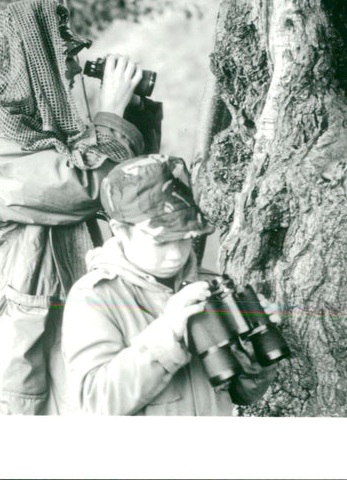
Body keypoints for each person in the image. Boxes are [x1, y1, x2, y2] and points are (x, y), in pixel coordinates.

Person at [0, 0, 161, 415]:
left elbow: (127, 191)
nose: (74, 71)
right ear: (33, 63)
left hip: (31, 325)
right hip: (0, 341)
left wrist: (133, 111)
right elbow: (88, 187)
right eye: (65, 58)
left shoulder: (34, 132)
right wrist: (109, 112)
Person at [62, 154, 279, 415]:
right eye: (162, 241)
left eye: (185, 237)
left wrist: (256, 354)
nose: (176, 254)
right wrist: (168, 331)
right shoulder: (95, 297)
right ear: (120, 230)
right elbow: (93, 403)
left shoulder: (207, 285)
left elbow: (242, 395)